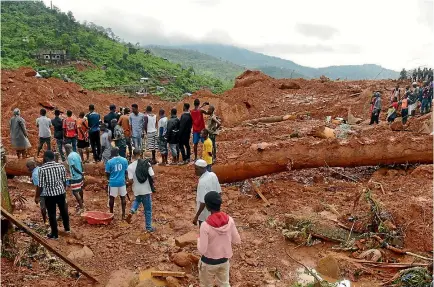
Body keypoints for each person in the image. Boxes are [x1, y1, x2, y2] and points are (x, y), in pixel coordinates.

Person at [197, 191, 241, 287]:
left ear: (207, 207)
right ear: (220, 204)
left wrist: (199, 238)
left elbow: (202, 250)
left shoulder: (205, 225)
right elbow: (237, 241)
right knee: (224, 284)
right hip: (224, 261)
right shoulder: (230, 220)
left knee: (205, 285)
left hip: (208, 263)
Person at [36, 150, 70, 239]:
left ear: (46, 158)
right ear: (53, 157)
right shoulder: (61, 166)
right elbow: (64, 181)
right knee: (64, 211)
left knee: (52, 214)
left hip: (49, 195)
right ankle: (67, 228)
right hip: (60, 193)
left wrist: (37, 196)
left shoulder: (42, 169)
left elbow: (40, 186)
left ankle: (54, 234)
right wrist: (63, 190)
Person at [125, 149, 155, 232]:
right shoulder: (146, 163)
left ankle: (132, 211)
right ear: (141, 154)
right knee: (148, 210)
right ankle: (149, 228)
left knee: (137, 200)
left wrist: (127, 184)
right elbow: (152, 176)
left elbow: (130, 181)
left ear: (133, 155)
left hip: (137, 189)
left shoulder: (130, 166)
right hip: (146, 189)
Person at [193, 159, 222, 226]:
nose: (195, 171)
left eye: (196, 169)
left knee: (204, 232)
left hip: (204, 214)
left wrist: (197, 216)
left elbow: (203, 202)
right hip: (214, 211)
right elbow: (219, 193)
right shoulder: (213, 175)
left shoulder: (202, 182)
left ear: (202, 169)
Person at [105, 147, 129, 219]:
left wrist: (108, 180)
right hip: (122, 182)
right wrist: (125, 179)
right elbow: (126, 171)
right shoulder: (124, 160)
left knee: (112, 198)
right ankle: (123, 215)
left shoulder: (109, 162)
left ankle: (111, 214)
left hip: (113, 183)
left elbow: (107, 173)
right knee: (123, 198)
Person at [65, 144, 85, 214]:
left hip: (75, 176)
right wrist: (82, 172)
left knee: (75, 192)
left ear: (67, 149)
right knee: (80, 189)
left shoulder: (70, 157)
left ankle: (82, 207)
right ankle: (82, 202)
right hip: (80, 175)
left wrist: (80, 173)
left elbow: (73, 167)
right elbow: (81, 163)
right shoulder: (76, 154)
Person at [26, 159, 47, 225]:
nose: (28, 169)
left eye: (28, 167)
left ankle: (45, 221)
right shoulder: (40, 168)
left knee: (43, 207)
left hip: (43, 192)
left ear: (32, 166)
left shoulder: (34, 174)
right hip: (50, 190)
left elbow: (39, 186)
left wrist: (37, 197)